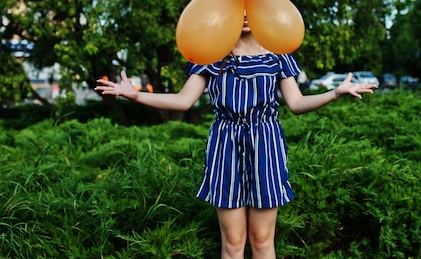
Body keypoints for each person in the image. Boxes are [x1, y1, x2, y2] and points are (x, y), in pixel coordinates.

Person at [95, 15, 376, 259]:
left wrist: (335, 93)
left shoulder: (278, 53)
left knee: (263, 241)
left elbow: (297, 104)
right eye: (236, 4)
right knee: (232, 243)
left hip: (266, 143)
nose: (243, 14)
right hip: (225, 144)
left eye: (249, 5)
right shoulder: (212, 54)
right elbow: (183, 101)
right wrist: (135, 94)